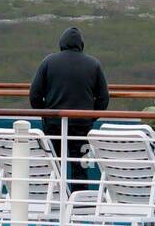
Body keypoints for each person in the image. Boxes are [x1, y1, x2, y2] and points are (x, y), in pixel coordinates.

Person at [29, 27, 110, 183]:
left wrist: (47, 115)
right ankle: (78, 203)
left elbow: (35, 95)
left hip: (53, 124)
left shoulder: (48, 62)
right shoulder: (93, 64)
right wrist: (90, 117)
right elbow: (103, 98)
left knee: (53, 167)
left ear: (61, 43)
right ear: (81, 44)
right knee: (80, 169)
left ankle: (54, 199)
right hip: (81, 125)